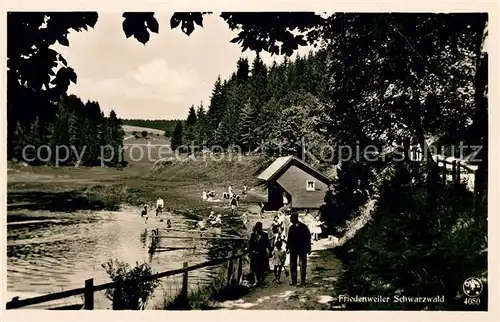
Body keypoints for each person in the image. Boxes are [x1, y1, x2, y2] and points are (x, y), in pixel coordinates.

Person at [286, 212, 312, 286]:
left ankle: (302, 281)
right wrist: (287, 247)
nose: (290, 220)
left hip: (301, 249)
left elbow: (308, 237)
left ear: (294, 218)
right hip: (294, 249)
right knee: (293, 265)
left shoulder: (303, 227)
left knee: (302, 264)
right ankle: (294, 280)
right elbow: (289, 239)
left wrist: (309, 247)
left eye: (291, 218)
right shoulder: (292, 228)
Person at [249, 222, 271, 286]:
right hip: (255, 253)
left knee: (262, 267)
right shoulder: (253, 235)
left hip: (262, 254)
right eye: (258, 228)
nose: (258, 229)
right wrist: (250, 252)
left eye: (260, 228)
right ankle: (256, 280)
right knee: (254, 268)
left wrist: (269, 250)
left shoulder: (265, 235)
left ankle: (262, 280)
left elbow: (268, 243)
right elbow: (250, 244)